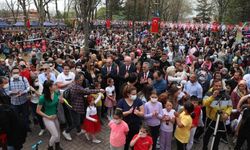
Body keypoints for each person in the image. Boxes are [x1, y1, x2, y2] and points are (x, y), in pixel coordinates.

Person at [62, 73, 103, 141]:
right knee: (76, 122)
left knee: (77, 119)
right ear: (76, 80)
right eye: (81, 80)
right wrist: (99, 90)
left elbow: (80, 92)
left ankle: (79, 131)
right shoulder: (77, 86)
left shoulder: (74, 84)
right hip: (74, 107)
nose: (82, 81)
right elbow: (86, 91)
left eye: (82, 80)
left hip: (74, 105)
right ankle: (66, 132)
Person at [202, 80, 233, 150]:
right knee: (207, 135)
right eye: (216, 86)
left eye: (220, 86)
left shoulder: (226, 95)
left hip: (221, 120)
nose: (218, 87)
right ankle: (204, 147)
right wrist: (213, 96)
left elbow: (230, 106)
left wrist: (227, 114)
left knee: (218, 137)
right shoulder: (208, 93)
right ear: (213, 85)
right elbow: (205, 104)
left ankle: (215, 148)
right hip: (211, 119)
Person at [36, 80, 63, 150]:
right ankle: (50, 147)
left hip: (56, 116)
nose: (55, 85)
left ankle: (57, 146)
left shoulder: (56, 93)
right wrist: (48, 117)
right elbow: (38, 111)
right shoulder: (42, 98)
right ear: (49, 88)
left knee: (58, 133)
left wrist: (61, 101)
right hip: (47, 118)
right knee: (55, 134)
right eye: (54, 85)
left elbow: (59, 102)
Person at [117, 85, 144, 150]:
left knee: (134, 142)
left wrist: (138, 113)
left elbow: (142, 113)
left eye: (136, 93)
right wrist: (128, 112)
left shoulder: (138, 100)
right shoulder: (121, 102)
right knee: (125, 143)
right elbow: (118, 115)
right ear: (128, 94)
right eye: (133, 94)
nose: (135, 95)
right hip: (125, 127)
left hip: (135, 126)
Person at [6, 67, 31, 132]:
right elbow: (6, 91)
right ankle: (19, 129)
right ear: (11, 74)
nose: (16, 74)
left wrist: (23, 92)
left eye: (17, 72)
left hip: (24, 101)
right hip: (14, 103)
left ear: (19, 73)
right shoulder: (8, 81)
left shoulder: (23, 79)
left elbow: (28, 87)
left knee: (25, 116)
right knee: (16, 117)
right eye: (14, 73)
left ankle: (26, 128)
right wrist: (13, 92)